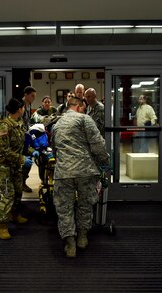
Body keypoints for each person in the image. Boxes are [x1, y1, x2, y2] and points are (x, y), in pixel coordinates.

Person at [51, 96, 110, 258]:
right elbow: (98, 144)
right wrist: (105, 162)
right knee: (85, 204)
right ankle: (82, 237)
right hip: (85, 171)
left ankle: (70, 243)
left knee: (64, 208)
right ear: (77, 106)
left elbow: (54, 149)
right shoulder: (85, 119)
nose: (84, 110)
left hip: (63, 173)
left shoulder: (57, 125)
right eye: (83, 107)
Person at [0, 98, 32, 240]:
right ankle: (2, 226)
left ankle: (14, 215)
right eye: (23, 108)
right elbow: (3, 151)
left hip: (15, 166)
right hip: (3, 166)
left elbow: (21, 145)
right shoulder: (4, 126)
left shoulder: (19, 124)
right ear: (19, 109)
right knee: (7, 195)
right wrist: (22, 159)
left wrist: (32, 151)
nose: (24, 110)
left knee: (17, 191)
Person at [21, 86, 37, 192]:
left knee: (30, 156)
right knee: (26, 160)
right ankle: (21, 183)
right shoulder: (20, 106)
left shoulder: (28, 105)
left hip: (27, 138)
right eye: (32, 96)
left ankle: (23, 181)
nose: (34, 98)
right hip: (21, 139)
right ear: (26, 95)